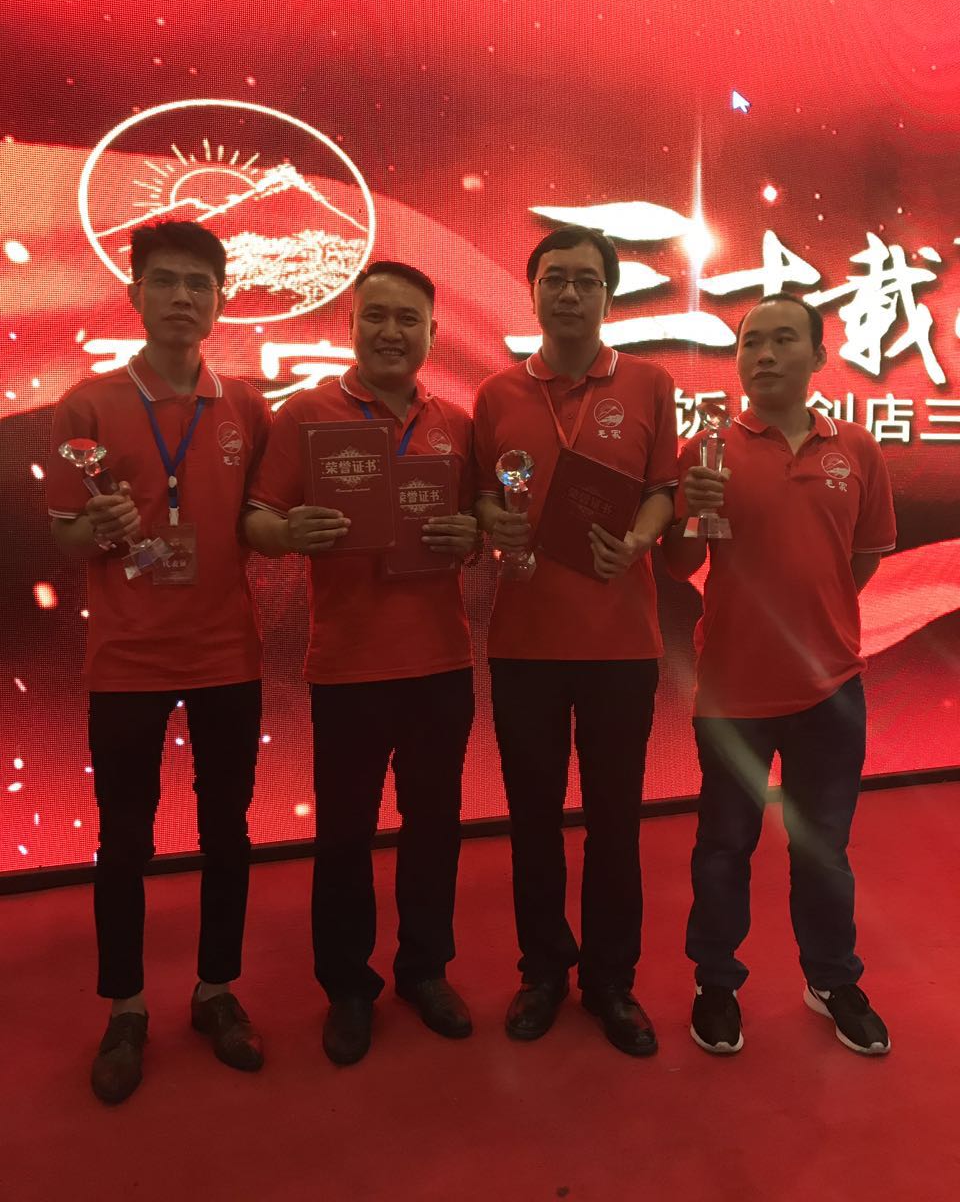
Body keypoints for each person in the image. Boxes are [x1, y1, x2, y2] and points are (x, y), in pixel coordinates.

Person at [46, 220, 271, 1104]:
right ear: (135, 294)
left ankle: (216, 991)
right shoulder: (87, 406)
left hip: (227, 653)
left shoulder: (246, 406)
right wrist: (95, 531)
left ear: (221, 300)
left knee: (228, 831)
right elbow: (68, 536)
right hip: (129, 659)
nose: (183, 297)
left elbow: (257, 517)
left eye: (199, 284)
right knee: (124, 840)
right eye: (166, 281)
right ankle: (127, 1006)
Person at [244, 261, 478, 1065]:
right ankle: (348, 987)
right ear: (350, 325)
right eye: (376, 316)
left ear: (431, 334)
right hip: (347, 666)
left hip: (441, 662)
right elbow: (257, 519)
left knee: (435, 827)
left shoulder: (457, 423)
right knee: (345, 835)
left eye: (408, 319)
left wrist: (473, 536)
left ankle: (425, 970)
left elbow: (482, 519)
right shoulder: (307, 414)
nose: (390, 332)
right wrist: (288, 532)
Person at [661, 292, 896, 1057]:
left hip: (832, 688)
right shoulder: (706, 453)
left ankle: (831, 979)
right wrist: (687, 512)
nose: (764, 354)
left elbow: (860, 559)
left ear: (819, 356)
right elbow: (680, 565)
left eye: (783, 339)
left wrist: (812, 620)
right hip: (733, 691)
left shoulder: (856, 449)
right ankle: (716, 982)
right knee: (724, 846)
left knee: (823, 846)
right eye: (750, 342)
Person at [473, 225, 678, 1056]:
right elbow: (482, 495)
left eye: (585, 280)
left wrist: (638, 541)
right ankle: (543, 973)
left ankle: (611, 981)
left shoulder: (650, 383)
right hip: (524, 641)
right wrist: (494, 523)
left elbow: (663, 489)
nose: (568, 293)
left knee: (615, 823)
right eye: (554, 278)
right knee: (532, 820)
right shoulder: (496, 394)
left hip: (621, 645)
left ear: (607, 294)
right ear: (532, 292)